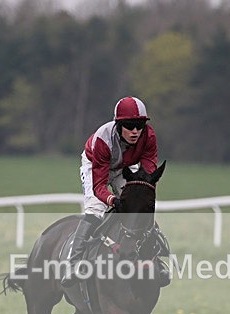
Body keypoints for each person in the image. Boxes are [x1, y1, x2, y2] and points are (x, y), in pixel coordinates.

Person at [61, 96, 160, 287]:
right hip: (96, 165)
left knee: (138, 204)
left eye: (139, 125)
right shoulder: (102, 140)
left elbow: (148, 172)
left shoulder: (149, 136)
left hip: (122, 166)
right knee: (95, 210)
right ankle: (72, 263)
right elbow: (99, 186)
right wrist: (113, 200)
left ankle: (156, 257)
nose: (135, 131)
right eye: (130, 125)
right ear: (119, 124)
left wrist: (141, 194)